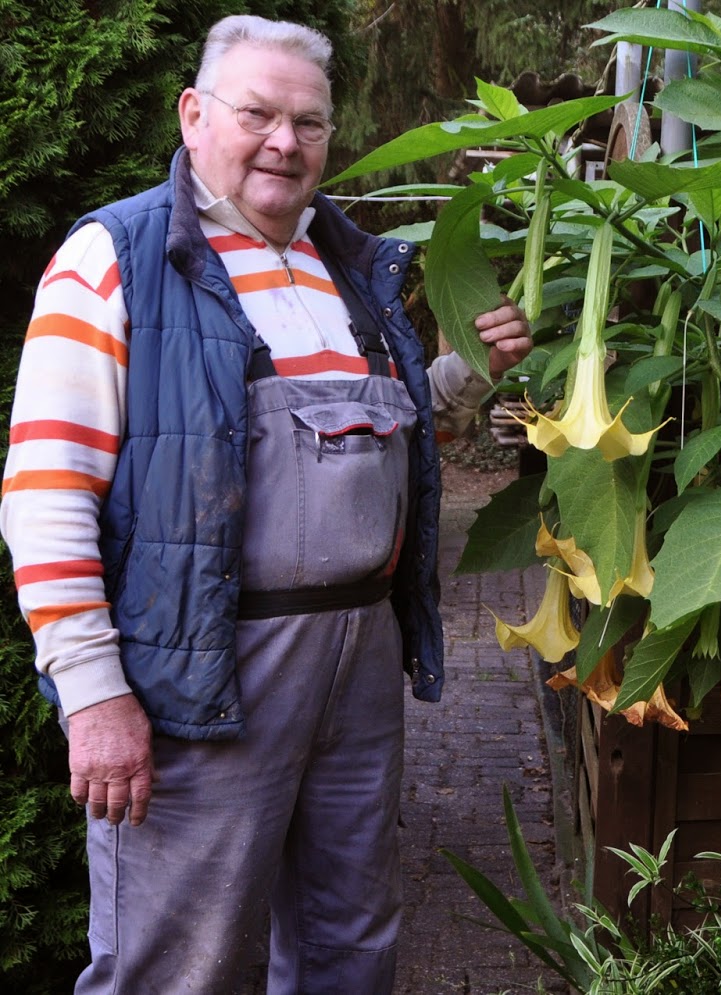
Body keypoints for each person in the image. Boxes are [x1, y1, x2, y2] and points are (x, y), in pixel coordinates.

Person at [0, 14, 532, 993]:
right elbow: (45, 490)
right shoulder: (113, 259)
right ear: (194, 115)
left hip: (358, 663)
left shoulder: (350, 268)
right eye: (258, 114)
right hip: (202, 674)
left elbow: (390, 432)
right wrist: (92, 690)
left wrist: (470, 373)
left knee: (349, 947)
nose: (286, 141)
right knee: (177, 965)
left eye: (310, 122)